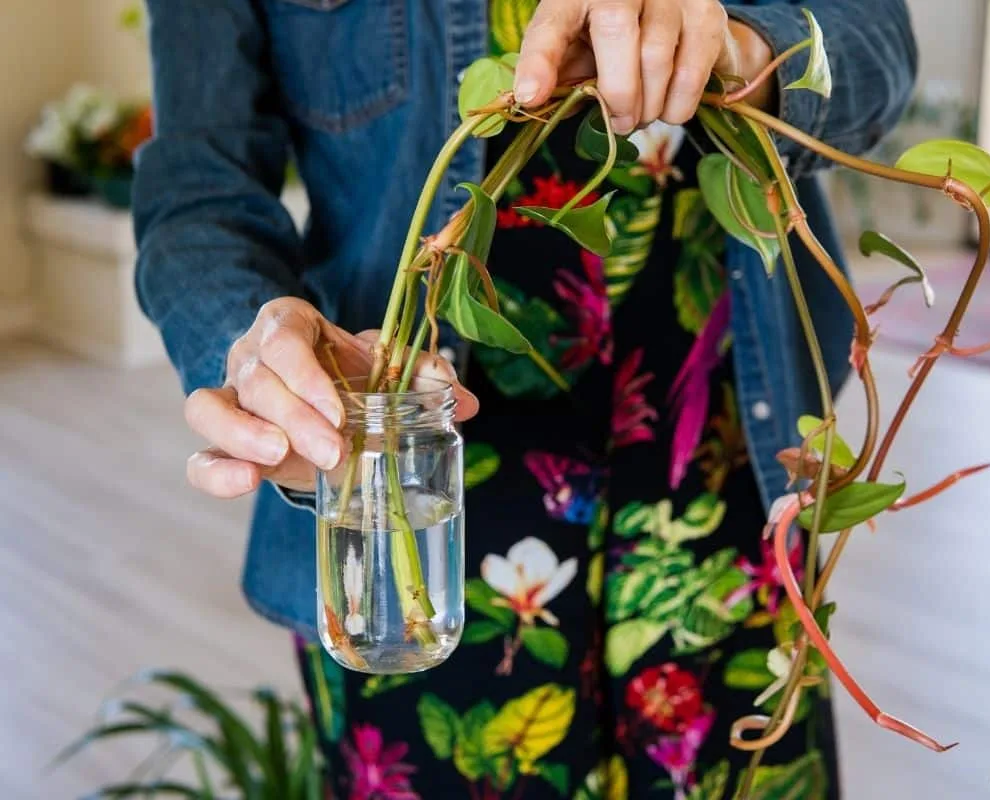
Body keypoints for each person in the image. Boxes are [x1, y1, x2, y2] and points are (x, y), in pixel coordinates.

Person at [134, 1, 917, 797]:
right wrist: (259, 364)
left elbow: (879, 42)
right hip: (411, 519)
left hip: (725, 472)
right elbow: (201, 183)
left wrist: (744, 51)